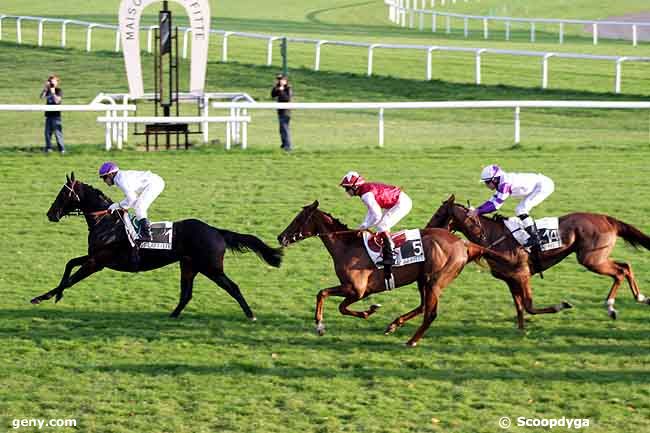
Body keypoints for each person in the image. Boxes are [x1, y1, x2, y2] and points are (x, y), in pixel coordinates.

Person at [339, 171, 413, 289]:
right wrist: (363, 225)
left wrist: (365, 226)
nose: (346, 191)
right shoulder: (364, 191)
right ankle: (387, 249)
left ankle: (390, 256)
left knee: (382, 226)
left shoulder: (365, 194)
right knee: (381, 226)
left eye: (347, 188)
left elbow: (377, 215)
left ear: (355, 186)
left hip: (402, 203)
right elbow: (372, 211)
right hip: (398, 201)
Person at [468, 164, 555, 249]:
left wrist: (477, 212)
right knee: (520, 209)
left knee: (521, 209)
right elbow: (491, 201)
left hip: (543, 186)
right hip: (539, 184)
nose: (486, 185)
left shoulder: (505, 184)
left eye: (487, 182)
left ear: (494, 179)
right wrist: (477, 209)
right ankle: (533, 235)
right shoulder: (501, 182)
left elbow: (496, 205)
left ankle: (535, 238)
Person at [98, 162, 165, 242]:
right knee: (137, 206)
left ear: (111, 174)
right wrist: (120, 205)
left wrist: (118, 205)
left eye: (104, 178)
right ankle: (143, 229)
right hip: (153, 182)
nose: (104, 181)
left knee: (139, 207)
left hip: (155, 183)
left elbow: (131, 199)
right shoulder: (119, 178)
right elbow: (132, 200)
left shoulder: (121, 180)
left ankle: (147, 235)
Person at [40, 74, 65, 153]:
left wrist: (53, 93)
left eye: (53, 81)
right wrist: (45, 88)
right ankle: (48, 148)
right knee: (47, 133)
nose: (51, 83)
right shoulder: (47, 90)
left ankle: (62, 149)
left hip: (56, 115)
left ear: (57, 82)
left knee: (58, 133)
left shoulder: (58, 90)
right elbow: (41, 97)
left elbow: (57, 101)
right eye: (50, 81)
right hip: (48, 115)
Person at [271, 74, 292, 151]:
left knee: (284, 129)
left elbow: (286, 99)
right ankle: (284, 144)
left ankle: (288, 146)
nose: (280, 81)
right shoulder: (279, 88)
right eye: (279, 79)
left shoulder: (288, 88)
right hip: (280, 111)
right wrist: (278, 88)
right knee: (282, 129)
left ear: (286, 81)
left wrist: (281, 90)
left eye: (282, 79)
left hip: (285, 111)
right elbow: (273, 94)